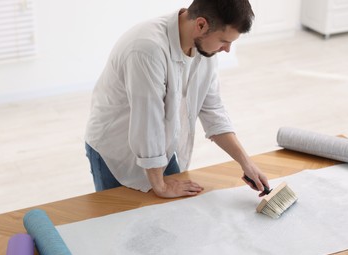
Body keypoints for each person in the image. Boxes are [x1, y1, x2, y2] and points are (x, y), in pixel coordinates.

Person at [85, 0, 270, 198]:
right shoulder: (146, 49)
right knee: (118, 221)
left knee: (170, 214)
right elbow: (148, 124)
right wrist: (161, 187)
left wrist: (246, 163)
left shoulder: (204, 48)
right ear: (201, 24)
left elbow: (213, 110)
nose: (227, 49)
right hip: (116, 149)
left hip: (159, 144)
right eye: (225, 41)